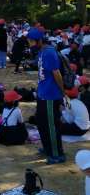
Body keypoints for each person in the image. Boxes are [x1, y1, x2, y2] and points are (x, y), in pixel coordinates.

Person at [29, 27, 65, 164]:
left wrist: (62, 91)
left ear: (39, 40)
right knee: (42, 123)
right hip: (42, 93)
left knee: (51, 126)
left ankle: (57, 154)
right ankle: (47, 147)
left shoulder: (49, 52)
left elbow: (56, 73)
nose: (30, 44)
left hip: (50, 95)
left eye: (31, 41)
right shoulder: (41, 52)